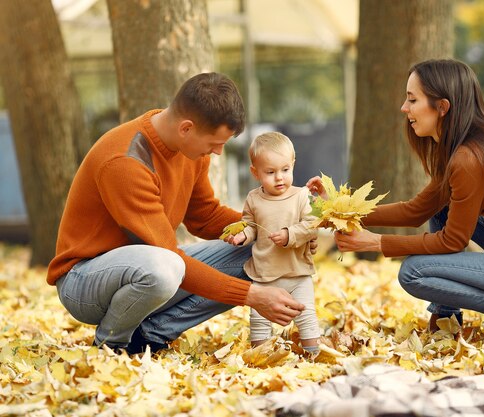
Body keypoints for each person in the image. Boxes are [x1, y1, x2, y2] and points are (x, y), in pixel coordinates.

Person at [307, 59, 484, 339]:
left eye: (412, 99)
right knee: (442, 208)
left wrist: (376, 243)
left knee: (413, 273)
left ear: (442, 107)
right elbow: (416, 211)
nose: (403, 107)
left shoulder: (470, 158)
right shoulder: (476, 147)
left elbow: (452, 242)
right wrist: (336, 209)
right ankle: (448, 317)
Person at [47, 73, 309, 355]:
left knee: (260, 252)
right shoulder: (125, 163)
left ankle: (149, 336)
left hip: (146, 263)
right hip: (84, 280)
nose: (219, 152)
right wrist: (252, 296)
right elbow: (166, 253)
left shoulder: (190, 149)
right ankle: (112, 344)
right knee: (164, 269)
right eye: (214, 143)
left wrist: (283, 231)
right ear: (186, 128)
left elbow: (205, 216)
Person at [223, 132, 320, 356]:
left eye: (285, 170)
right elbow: (250, 225)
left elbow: (312, 225)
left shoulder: (302, 196)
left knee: (305, 315)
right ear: (255, 172)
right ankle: (260, 356)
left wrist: (289, 235)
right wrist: (242, 236)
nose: (279, 178)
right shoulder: (254, 199)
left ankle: (314, 352)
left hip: (297, 274)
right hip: (264, 275)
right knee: (259, 321)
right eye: (270, 172)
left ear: (293, 165)